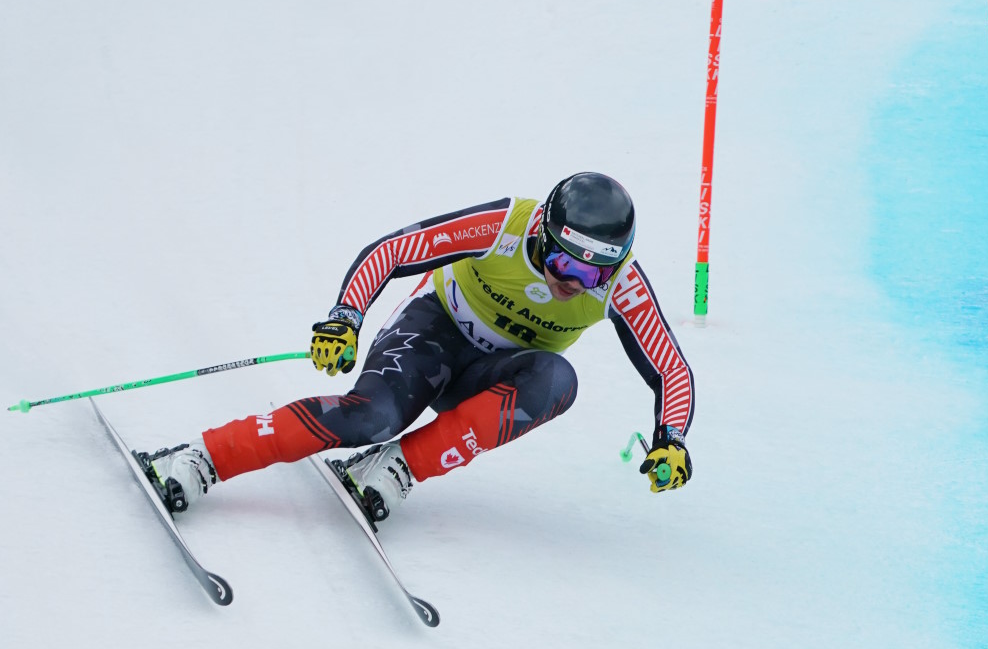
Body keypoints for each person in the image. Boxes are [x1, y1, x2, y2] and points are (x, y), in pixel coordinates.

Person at [143, 172, 695, 521]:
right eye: (565, 263)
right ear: (542, 235)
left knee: (558, 381)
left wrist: (671, 438)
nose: (574, 282)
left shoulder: (619, 283)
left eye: (594, 275)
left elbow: (669, 368)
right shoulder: (506, 225)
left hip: (489, 378)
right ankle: (201, 457)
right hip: (431, 335)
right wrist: (345, 318)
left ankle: (397, 468)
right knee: (373, 417)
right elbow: (394, 250)